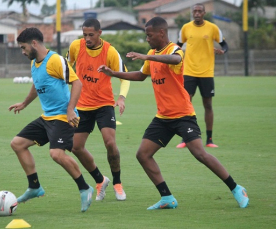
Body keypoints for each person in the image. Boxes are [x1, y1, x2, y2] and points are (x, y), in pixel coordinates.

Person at [98, 17, 249, 210]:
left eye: (149, 35)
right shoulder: (152, 53)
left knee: (200, 154)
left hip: (183, 115)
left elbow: (175, 59)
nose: (147, 39)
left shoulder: (174, 51)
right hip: (163, 118)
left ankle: (236, 188)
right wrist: (114, 73)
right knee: (143, 155)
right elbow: (141, 75)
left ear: (161, 33)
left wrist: (147, 57)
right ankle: (167, 197)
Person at [8, 27, 93, 212]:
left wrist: (71, 109)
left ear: (34, 43)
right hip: (47, 118)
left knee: (56, 154)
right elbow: (37, 85)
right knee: (17, 144)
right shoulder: (34, 63)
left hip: (64, 117)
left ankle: (85, 188)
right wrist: (24, 103)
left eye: (23, 48)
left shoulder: (55, 60)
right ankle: (35, 187)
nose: (23, 52)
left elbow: (77, 82)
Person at [66, 18, 130, 201]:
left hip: (104, 104)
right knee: (75, 147)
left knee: (110, 143)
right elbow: (65, 66)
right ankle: (100, 180)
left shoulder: (110, 51)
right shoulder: (75, 47)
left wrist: (121, 98)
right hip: (82, 105)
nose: (87, 38)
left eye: (91, 35)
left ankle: (117, 183)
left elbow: (124, 76)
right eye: (84, 34)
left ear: (100, 33)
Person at [176, 3, 229, 148]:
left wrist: (222, 51)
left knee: (208, 105)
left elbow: (224, 45)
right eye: (195, 11)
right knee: (186, 105)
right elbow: (177, 46)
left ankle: (209, 139)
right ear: (192, 13)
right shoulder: (186, 28)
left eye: (200, 11)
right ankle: (185, 139)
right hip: (189, 72)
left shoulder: (212, 28)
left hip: (206, 72)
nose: (197, 13)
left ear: (204, 13)